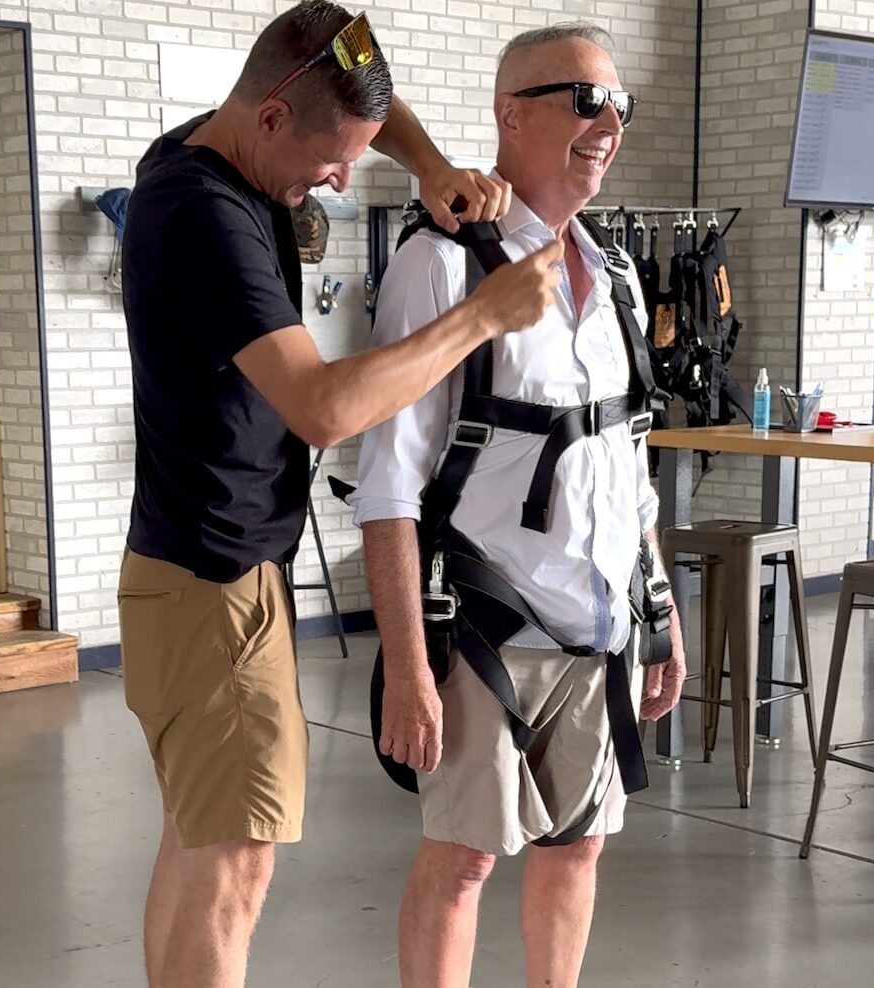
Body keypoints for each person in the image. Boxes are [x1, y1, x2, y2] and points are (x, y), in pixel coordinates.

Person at [116, 2, 565, 986]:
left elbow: (358, 77)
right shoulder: (203, 216)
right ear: (274, 117)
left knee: (200, 848)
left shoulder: (214, 143)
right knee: (232, 867)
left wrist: (432, 165)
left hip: (194, 575)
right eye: (333, 157)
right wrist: (484, 314)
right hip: (215, 587)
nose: (340, 178)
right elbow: (322, 408)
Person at [353, 22, 687, 988]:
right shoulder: (444, 265)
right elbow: (388, 484)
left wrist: (657, 615)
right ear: (509, 112)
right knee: (462, 861)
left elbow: (629, 467)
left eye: (620, 103)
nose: (608, 122)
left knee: (576, 847)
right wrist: (410, 666)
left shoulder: (620, 277)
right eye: (584, 99)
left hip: (598, 630)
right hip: (482, 632)